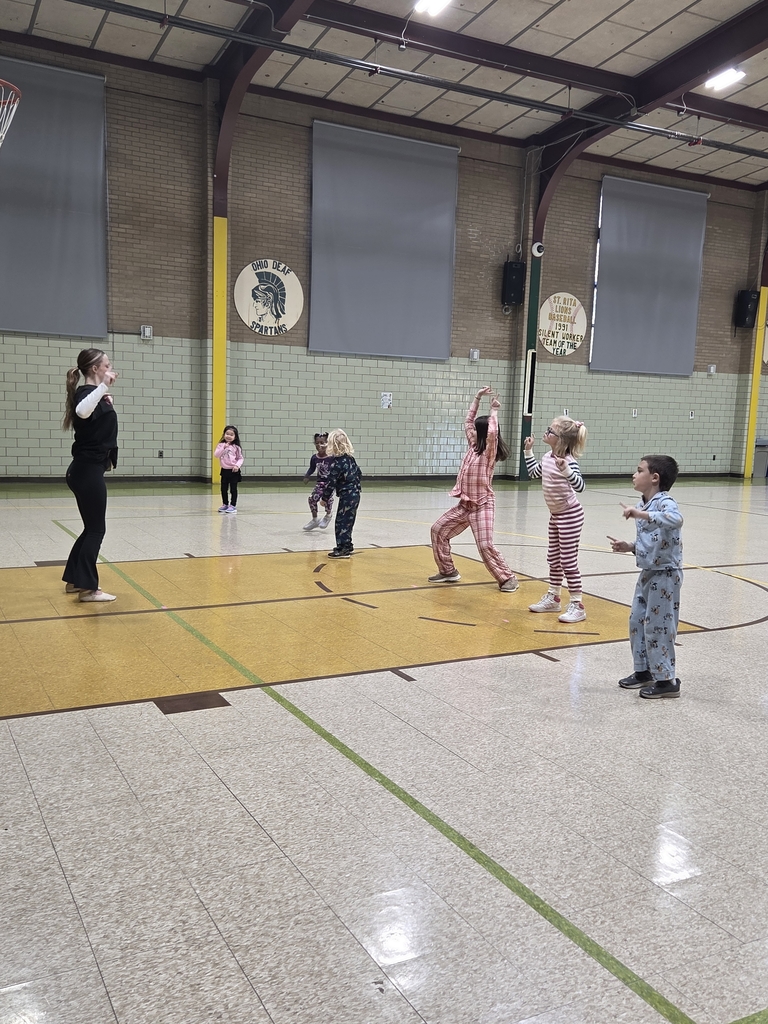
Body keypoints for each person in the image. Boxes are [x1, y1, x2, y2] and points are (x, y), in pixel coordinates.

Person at [429, 386, 518, 592]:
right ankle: (448, 571)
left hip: (483, 505)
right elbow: (468, 421)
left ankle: (507, 578)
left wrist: (494, 411)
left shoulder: (489, 452)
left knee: (485, 545)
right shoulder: (473, 446)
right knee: (438, 530)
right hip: (465, 505)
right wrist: (477, 397)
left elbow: (493, 433)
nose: (473, 431)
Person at [609, 455, 683, 699]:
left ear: (654, 478)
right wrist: (629, 546)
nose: (634, 474)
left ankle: (666, 680)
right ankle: (643, 671)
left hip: (665, 575)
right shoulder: (645, 503)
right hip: (648, 572)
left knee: (659, 627)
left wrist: (641, 515)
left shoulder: (664, 502)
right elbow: (652, 540)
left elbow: (676, 519)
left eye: (639, 470)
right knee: (637, 621)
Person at [61, 348, 119, 602]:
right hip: (86, 471)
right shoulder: (86, 393)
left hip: (86, 471)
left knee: (90, 528)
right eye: (106, 365)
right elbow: (83, 411)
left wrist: (104, 398)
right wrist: (103, 388)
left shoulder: (93, 395)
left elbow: (91, 416)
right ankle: (89, 588)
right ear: (95, 369)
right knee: (96, 530)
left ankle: (74, 580)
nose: (110, 368)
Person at [524, 417, 588, 623]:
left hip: (570, 516)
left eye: (550, 431)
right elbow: (534, 473)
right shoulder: (547, 458)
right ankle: (554, 596)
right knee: (553, 558)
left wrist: (567, 471)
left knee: (568, 561)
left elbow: (580, 487)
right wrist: (528, 451)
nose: (546, 432)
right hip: (556, 516)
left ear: (560, 439)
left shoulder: (569, 462)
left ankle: (578, 604)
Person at [324, 429, 362, 558]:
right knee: (348, 521)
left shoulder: (336, 463)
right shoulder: (351, 459)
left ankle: (342, 548)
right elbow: (359, 473)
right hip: (356, 493)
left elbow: (331, 482)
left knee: (341, 522)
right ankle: (348, 544)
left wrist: (324, 498)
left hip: (347, 495)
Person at [302, 432, 334, 531]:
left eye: (322, 442)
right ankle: (315, 519)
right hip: (320, 483)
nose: (319, 445)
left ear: (327, 443)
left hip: (330, 483)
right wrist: (307, 476)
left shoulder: (332, 457)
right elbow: (312, 468)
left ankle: (328, 515)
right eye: (317, 443)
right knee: (312, 499)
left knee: (327, 500)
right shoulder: (314, 458)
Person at [214, 426, 244, 514]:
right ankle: (225, 504)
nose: (229, 436)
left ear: (235, 437)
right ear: (224, 435)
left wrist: (237, 466)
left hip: (233, 471)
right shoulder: (221, 445)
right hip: (224, 470)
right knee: (223, 488)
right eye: (227, 434)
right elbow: (216, 455)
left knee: (233, 489)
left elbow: (240, 458)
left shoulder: (236, 447)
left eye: (231, 435)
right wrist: (224, 447)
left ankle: (233, 505)